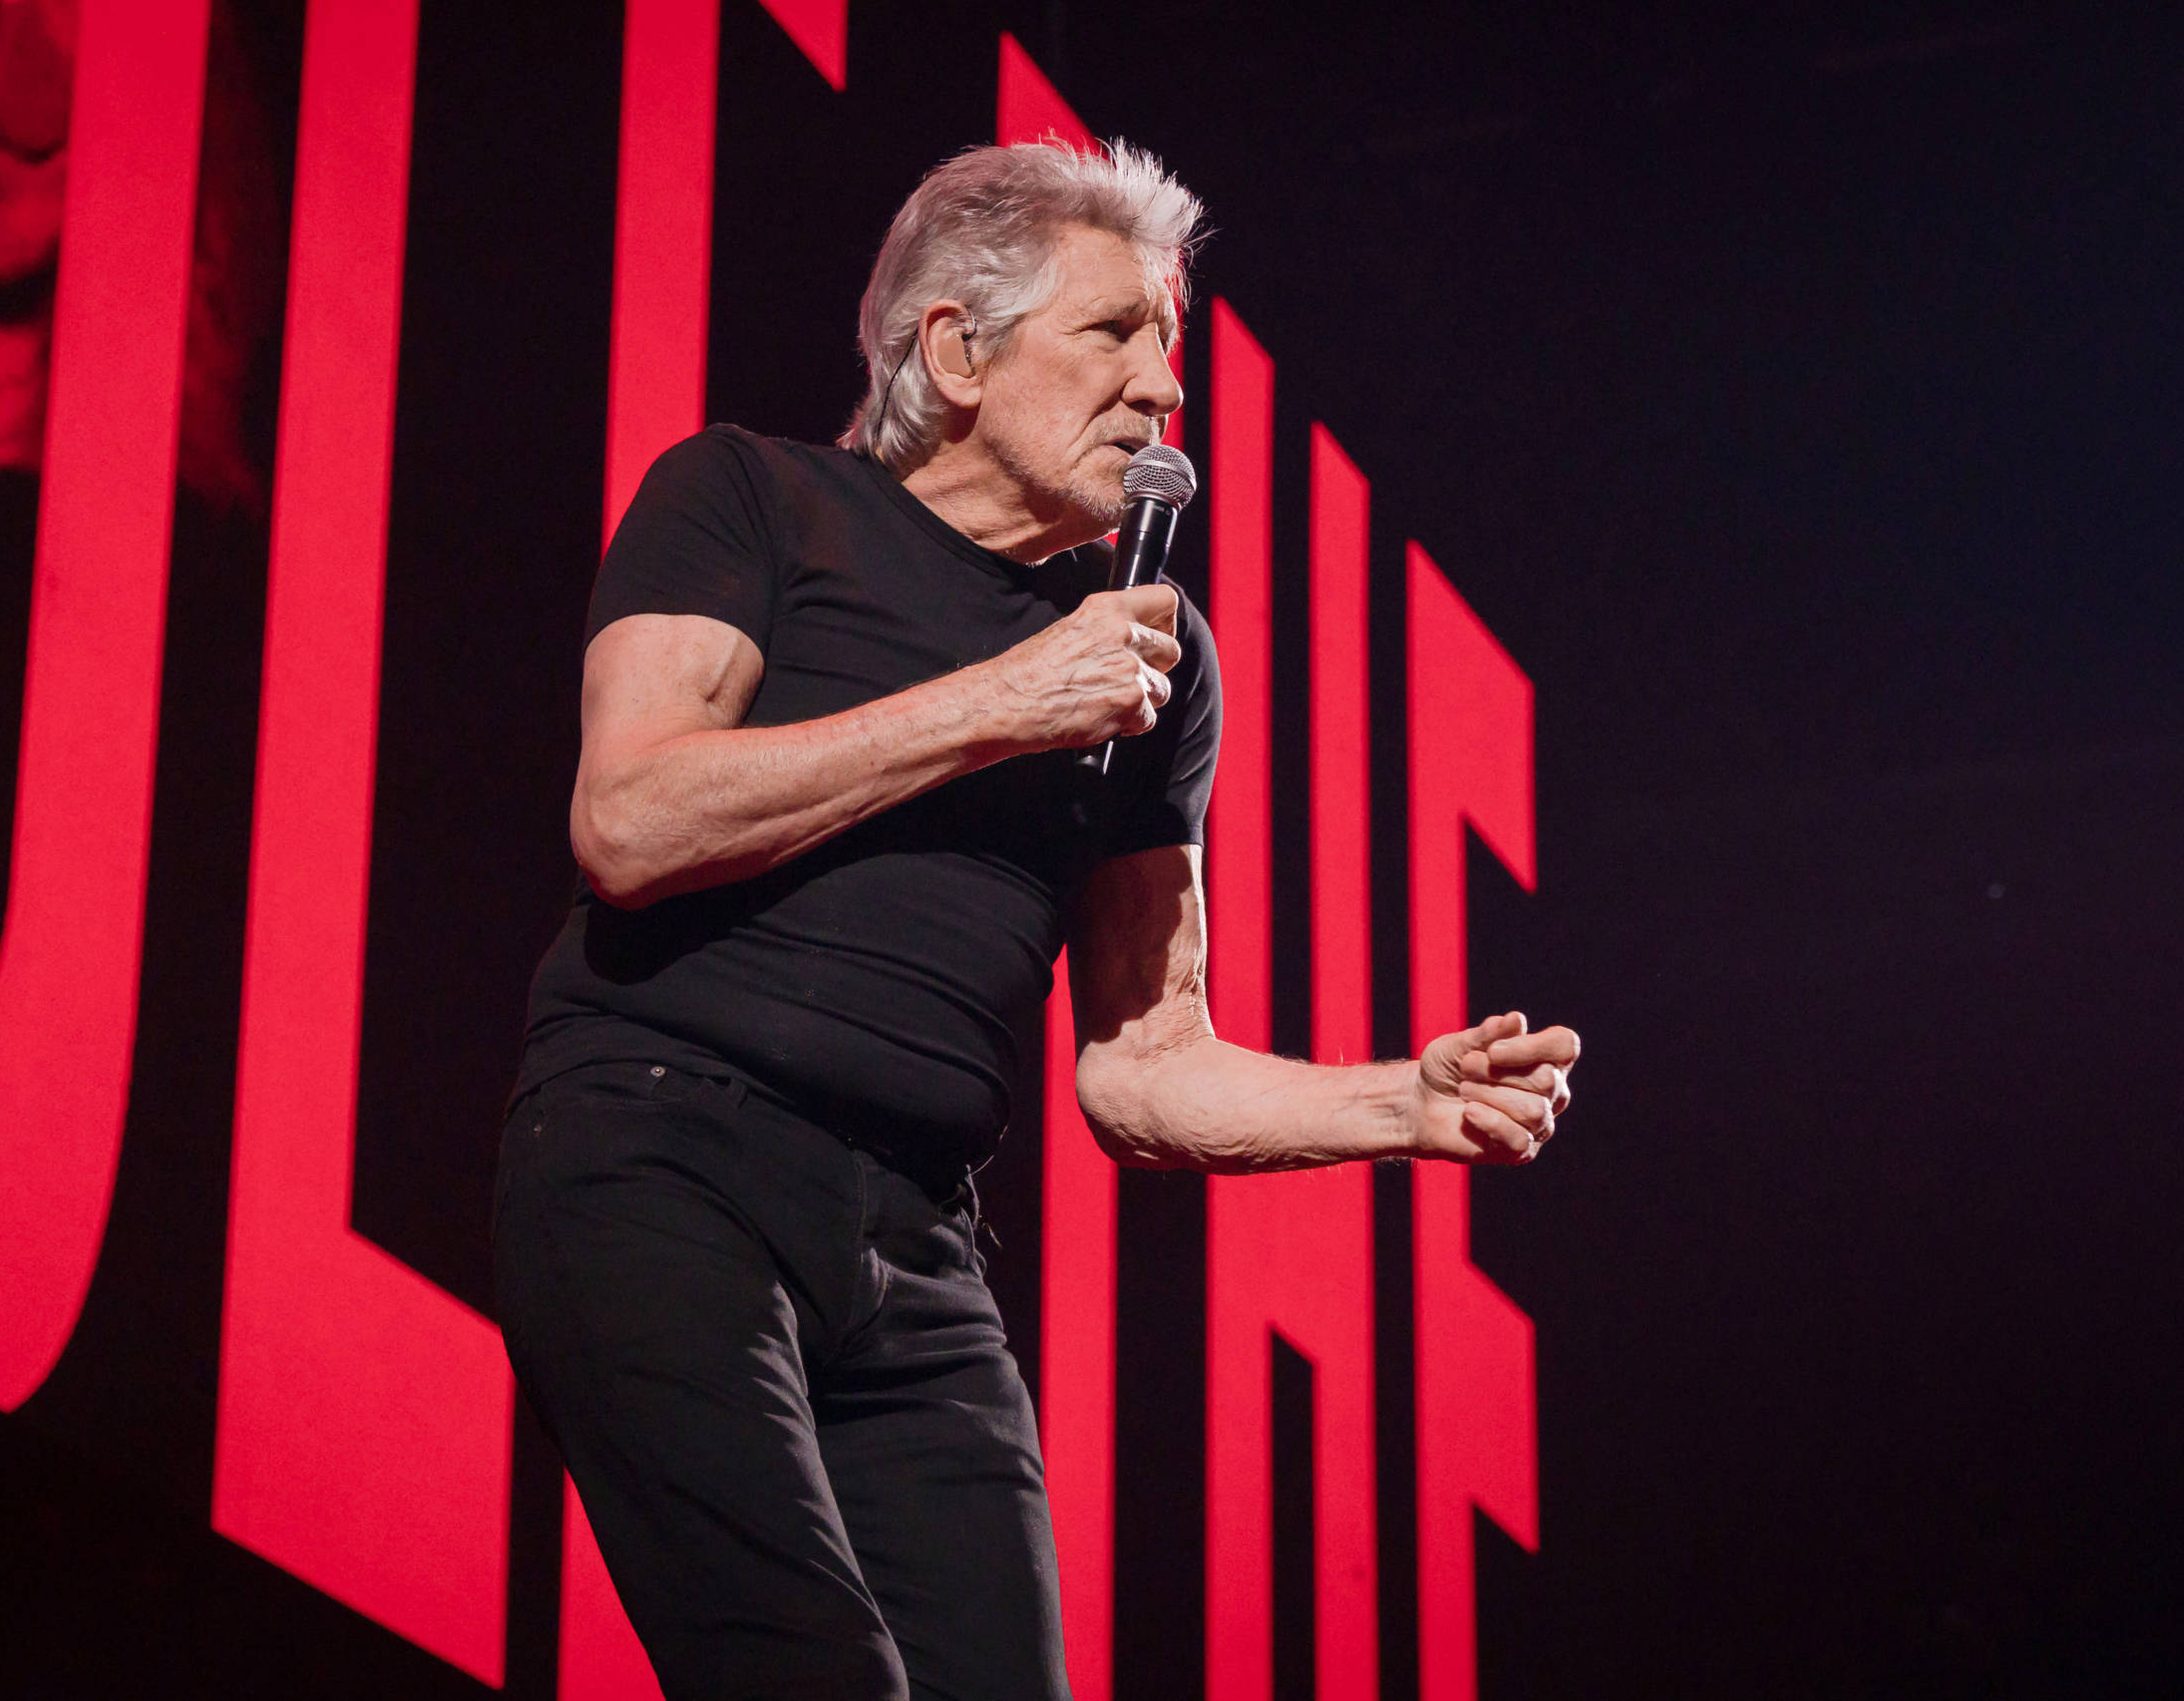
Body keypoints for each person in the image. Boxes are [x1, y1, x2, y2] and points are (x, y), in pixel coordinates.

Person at [494, 140, 1580, 1701]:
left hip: (916, 1240)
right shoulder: (752, 496)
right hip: (659, 1158)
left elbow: (1143, 1066)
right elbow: (630, 820)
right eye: (1115, 334)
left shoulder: (1155, 663)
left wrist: (1400, 1101)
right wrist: (1001, 702)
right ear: (954, 350)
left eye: (1174, 349)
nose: (1164, 389)